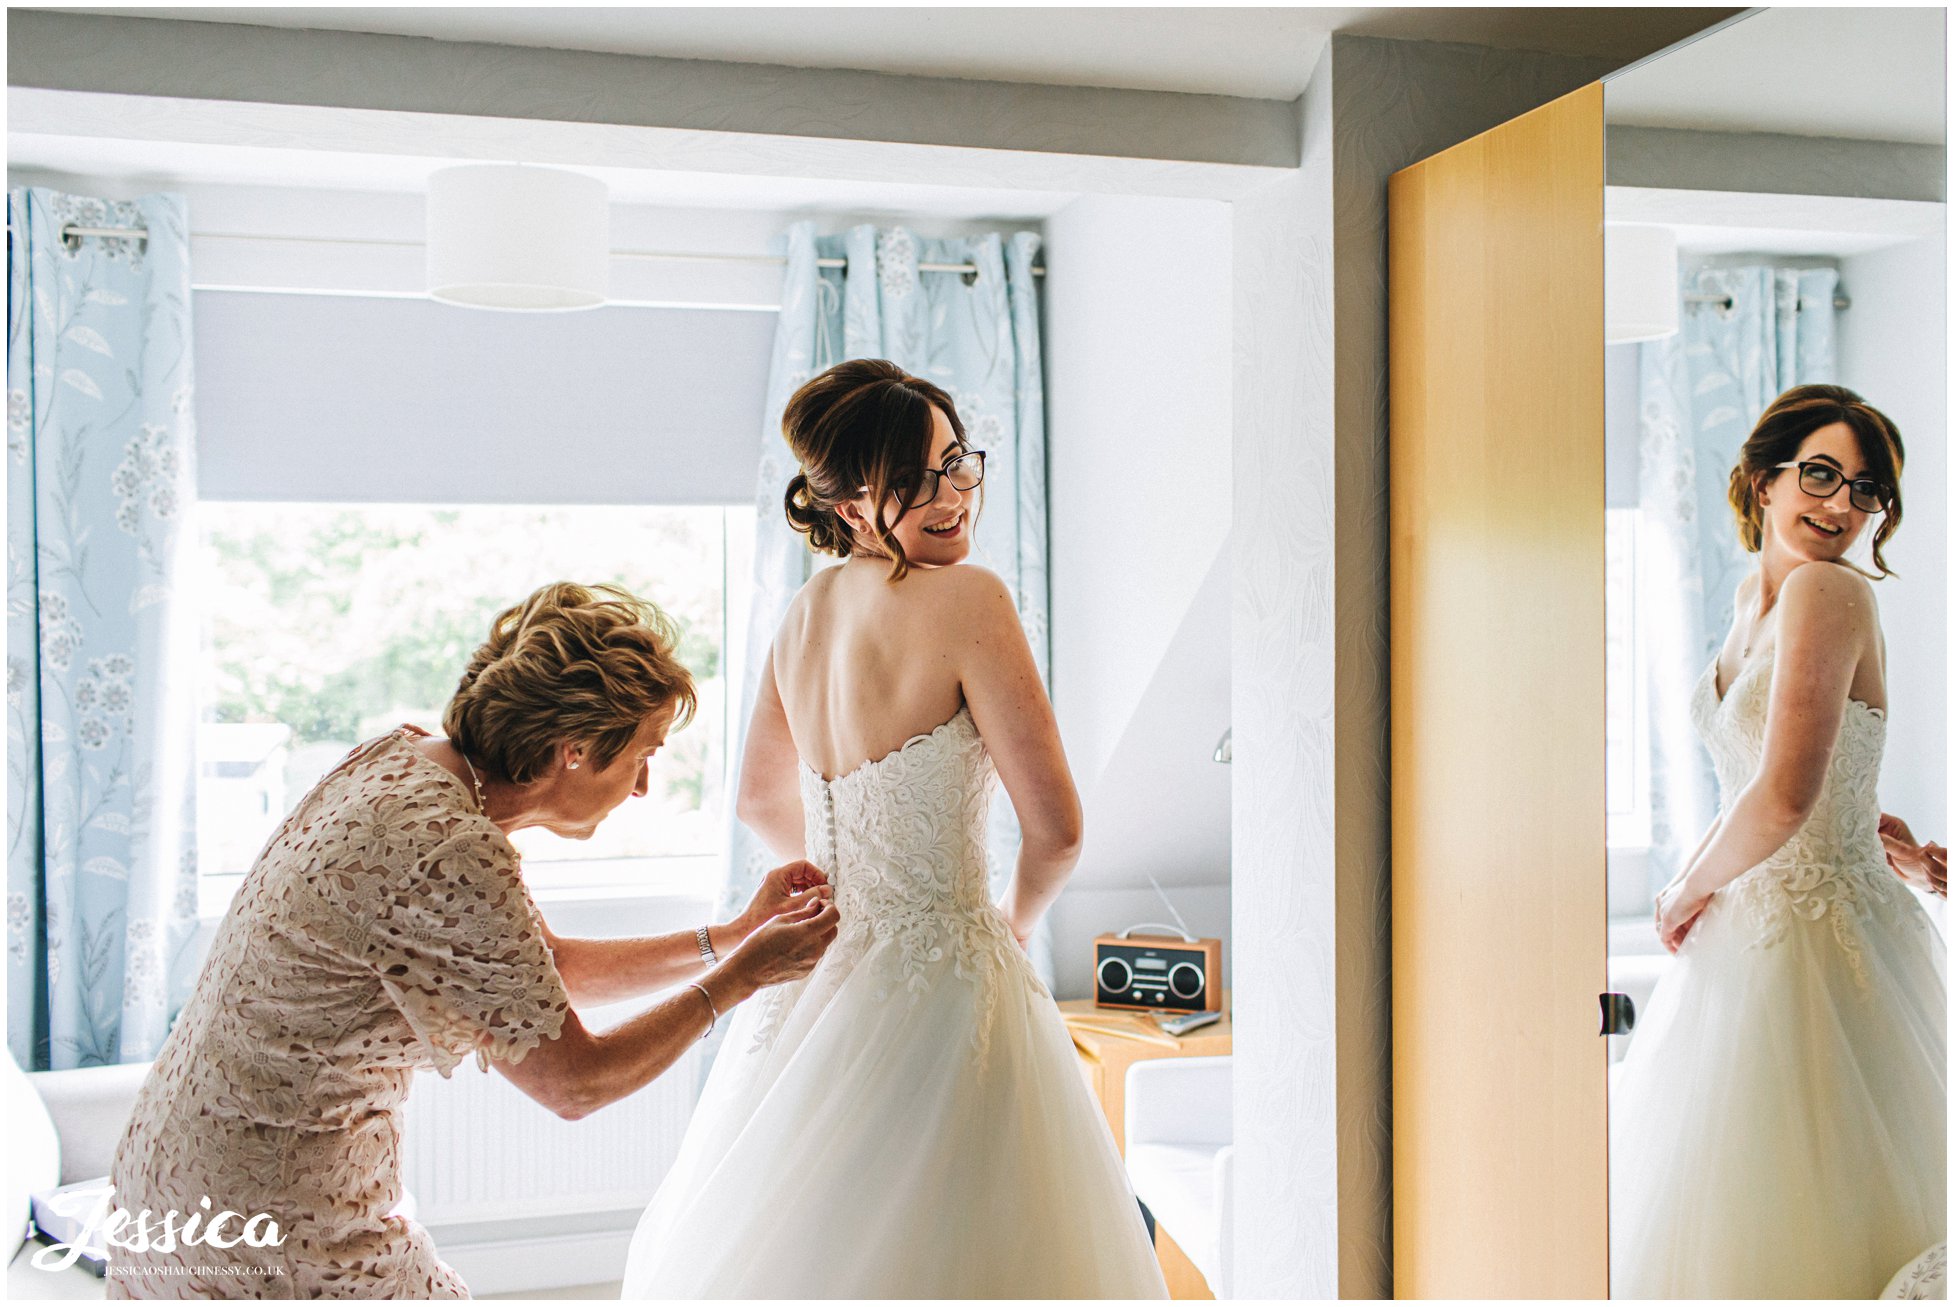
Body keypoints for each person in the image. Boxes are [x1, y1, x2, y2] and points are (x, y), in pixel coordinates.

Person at [107, 583, 838, 1299]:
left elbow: (540, 972)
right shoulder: (452, 849)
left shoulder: (400, 758)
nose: (644, 785)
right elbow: (574, 1081)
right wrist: (740, 977)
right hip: (269, 1213)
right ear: (574, 750)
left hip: (166, 1174)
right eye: (642, 753)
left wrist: (733, 934)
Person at [622, 361, 1168, 1297]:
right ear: (847, 502)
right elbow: (1059, 830)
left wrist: (855, 868)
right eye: (914, 480)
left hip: (822, 980)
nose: (951, 495)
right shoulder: (971, 601)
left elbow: (759, 798)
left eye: (957, 464)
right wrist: (1015, 919)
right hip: (949, 978)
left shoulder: (804, 613)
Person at [1610, 385, 1945, 1297]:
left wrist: (1684, 894)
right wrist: (1690, 881)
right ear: (1763, 480)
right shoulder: (1750, 605)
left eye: (1867, 490)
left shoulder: (1830, 591)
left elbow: (1787, 794)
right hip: (1746, 934)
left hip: (1823, 944)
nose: (1842, 506)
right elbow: (1741, 780)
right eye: (1822, 475)